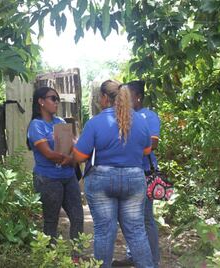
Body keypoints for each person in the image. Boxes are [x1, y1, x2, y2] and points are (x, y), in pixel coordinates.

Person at [73, 80, 154, 268]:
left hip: (102, 179)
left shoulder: (96, 122)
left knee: (104, 231)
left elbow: (79, 155)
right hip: (134, 178)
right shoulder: (140, 121)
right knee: (136, 231)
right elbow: (147, 150)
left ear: (103, 98)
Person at [26, 86, 84, 261]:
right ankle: (50, 260)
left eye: (57, 99)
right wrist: (70, 158)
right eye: (53, 98)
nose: (56, 102)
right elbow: (49, 155)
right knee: (51, 221)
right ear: (41, 102)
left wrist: (73, 155)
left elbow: (74, 146)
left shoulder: (59, 121)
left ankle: (75, 258)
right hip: (48, 179)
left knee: (77, 216)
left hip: (68, 177)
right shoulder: (36, 126)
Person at [112, 80, 161, 268]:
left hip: (144, 173)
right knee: (129, 218)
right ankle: (133, 255)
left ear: (138, 97)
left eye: (128, 94)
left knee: (146, 218)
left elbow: (153, 143)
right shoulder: (124, 116)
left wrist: (128, 151)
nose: (123, 98)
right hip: (127, 173)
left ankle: (153, 260)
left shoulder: (148, 116)